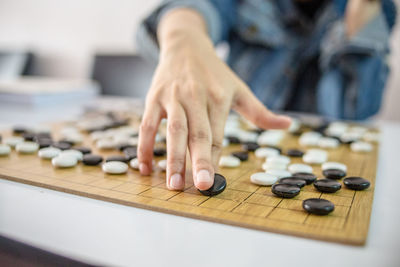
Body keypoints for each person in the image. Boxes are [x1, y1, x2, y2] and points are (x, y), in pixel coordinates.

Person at [136, 0, 397, 191]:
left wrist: (363, 10)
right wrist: (183, 43)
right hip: (238, 140)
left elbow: (353, 112)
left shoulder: (375, 7)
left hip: (324, 154)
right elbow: (191, 7)